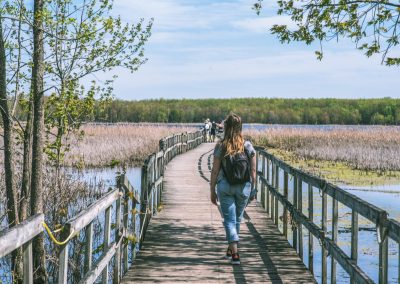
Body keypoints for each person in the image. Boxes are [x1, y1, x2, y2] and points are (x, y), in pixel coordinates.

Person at [209, 113, 256, 265]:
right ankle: (232, 248)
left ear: (227, 127)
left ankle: (235, 254)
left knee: (229, 219)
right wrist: (253, 189)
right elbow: (253, 171)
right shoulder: (248, 146)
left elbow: (215, 171)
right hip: (244, 187)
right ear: (240, 127)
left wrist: (212, 190)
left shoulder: (221, 146)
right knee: (237, 218)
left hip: (225, 187)